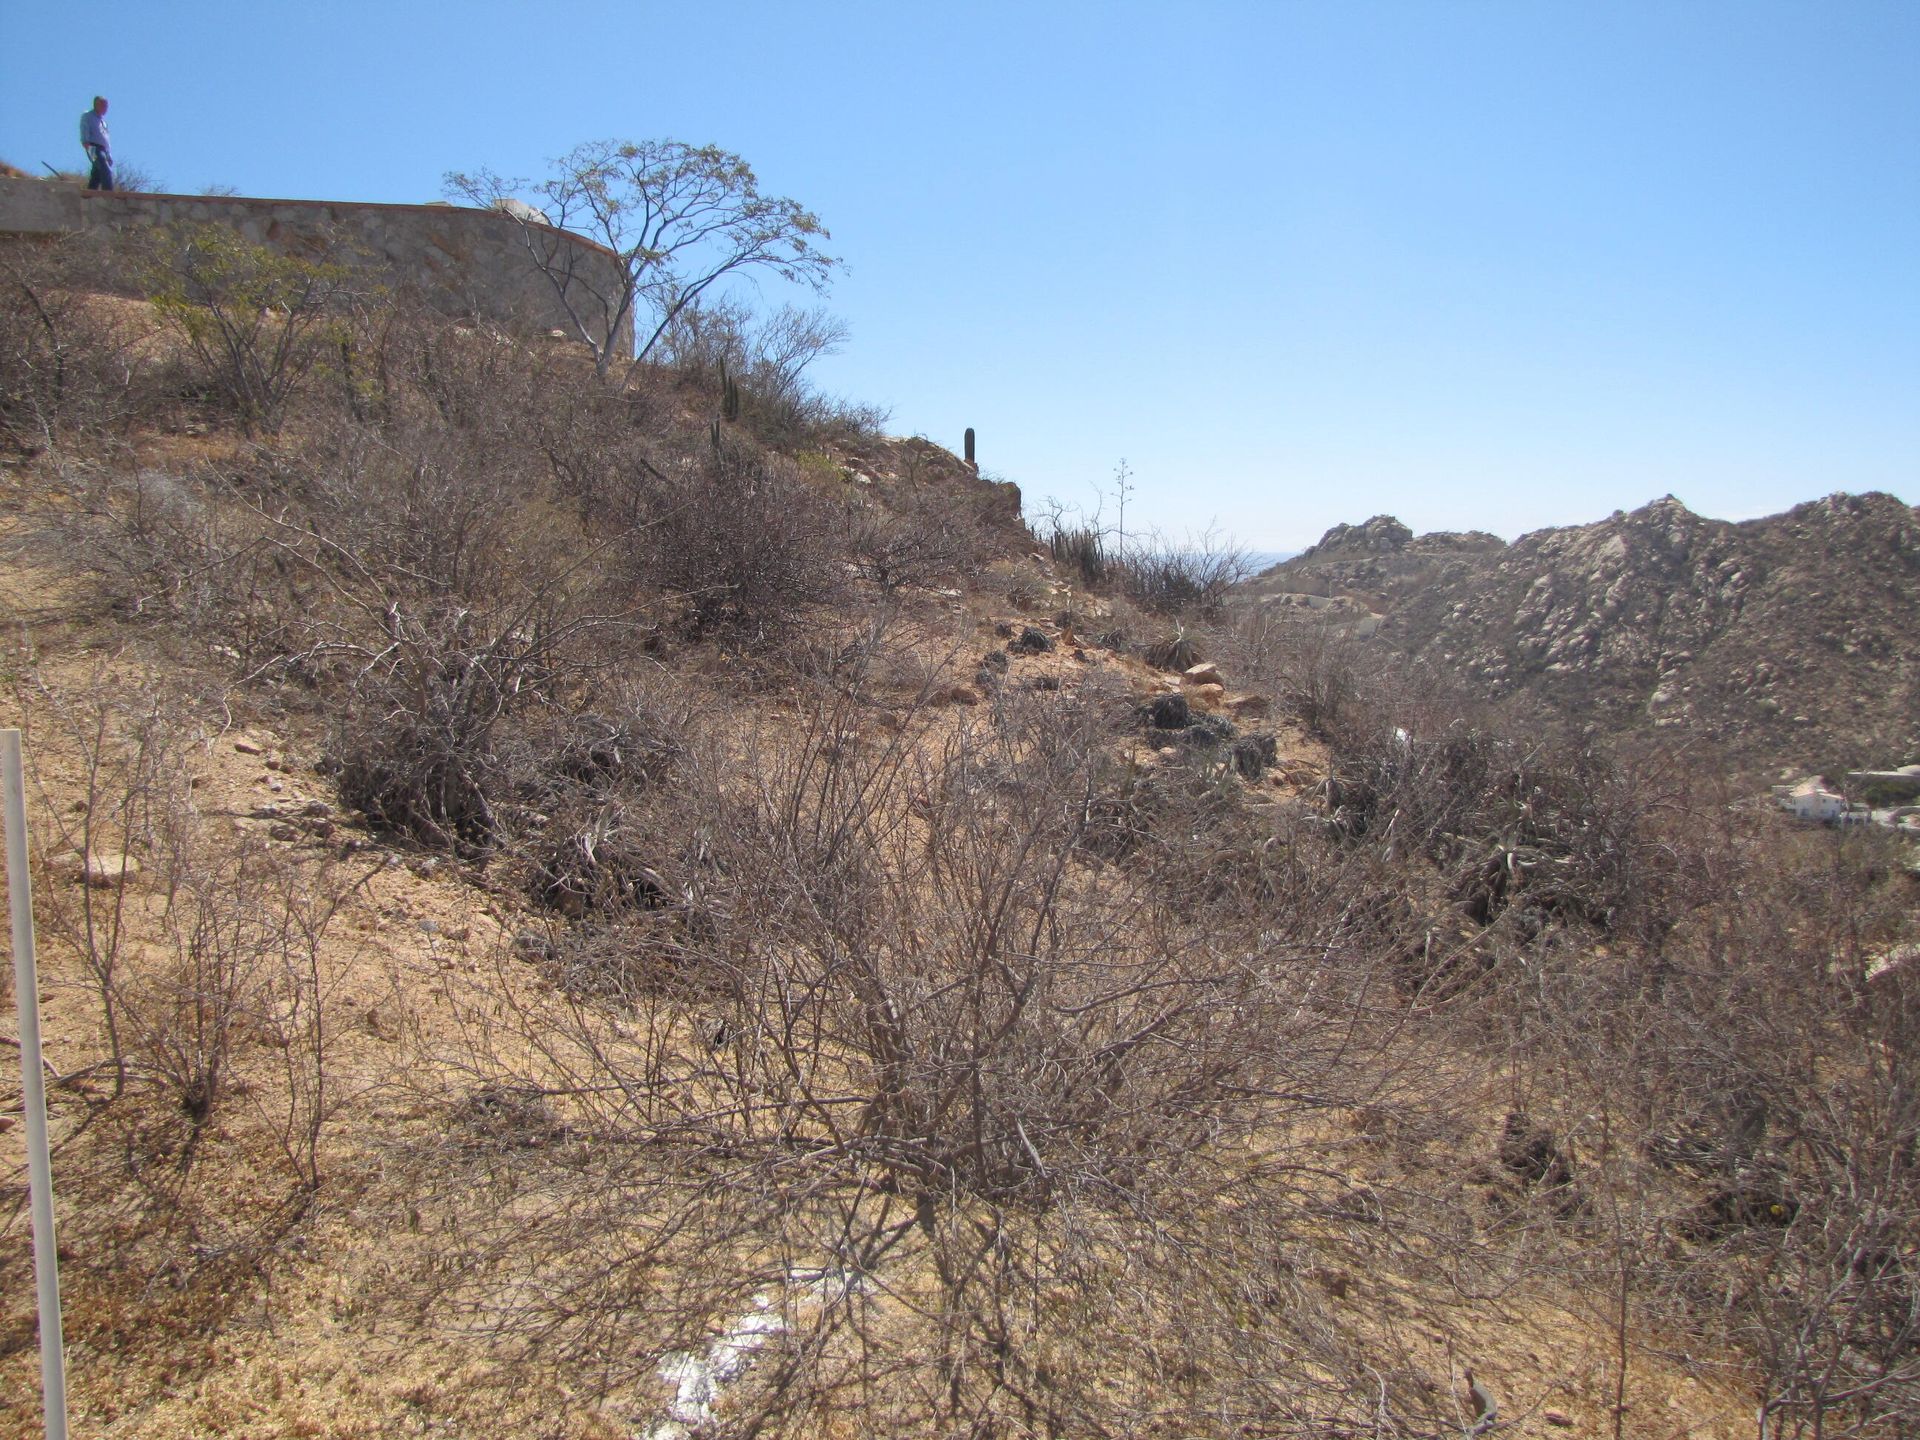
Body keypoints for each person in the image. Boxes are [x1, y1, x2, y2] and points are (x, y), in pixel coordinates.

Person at [79, 96, 113, 192]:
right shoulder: (88, 116)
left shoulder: (103, 122)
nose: (105, 108)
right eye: (103, 105)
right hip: (93, 147)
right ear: (96, 105)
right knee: (105, 169)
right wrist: (85, 141)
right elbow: (84, 128)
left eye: (106, 106)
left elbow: (106, 139)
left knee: (96, 174)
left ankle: (90, 194)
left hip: (103, 149)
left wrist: (109, 155)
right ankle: (109, 193)